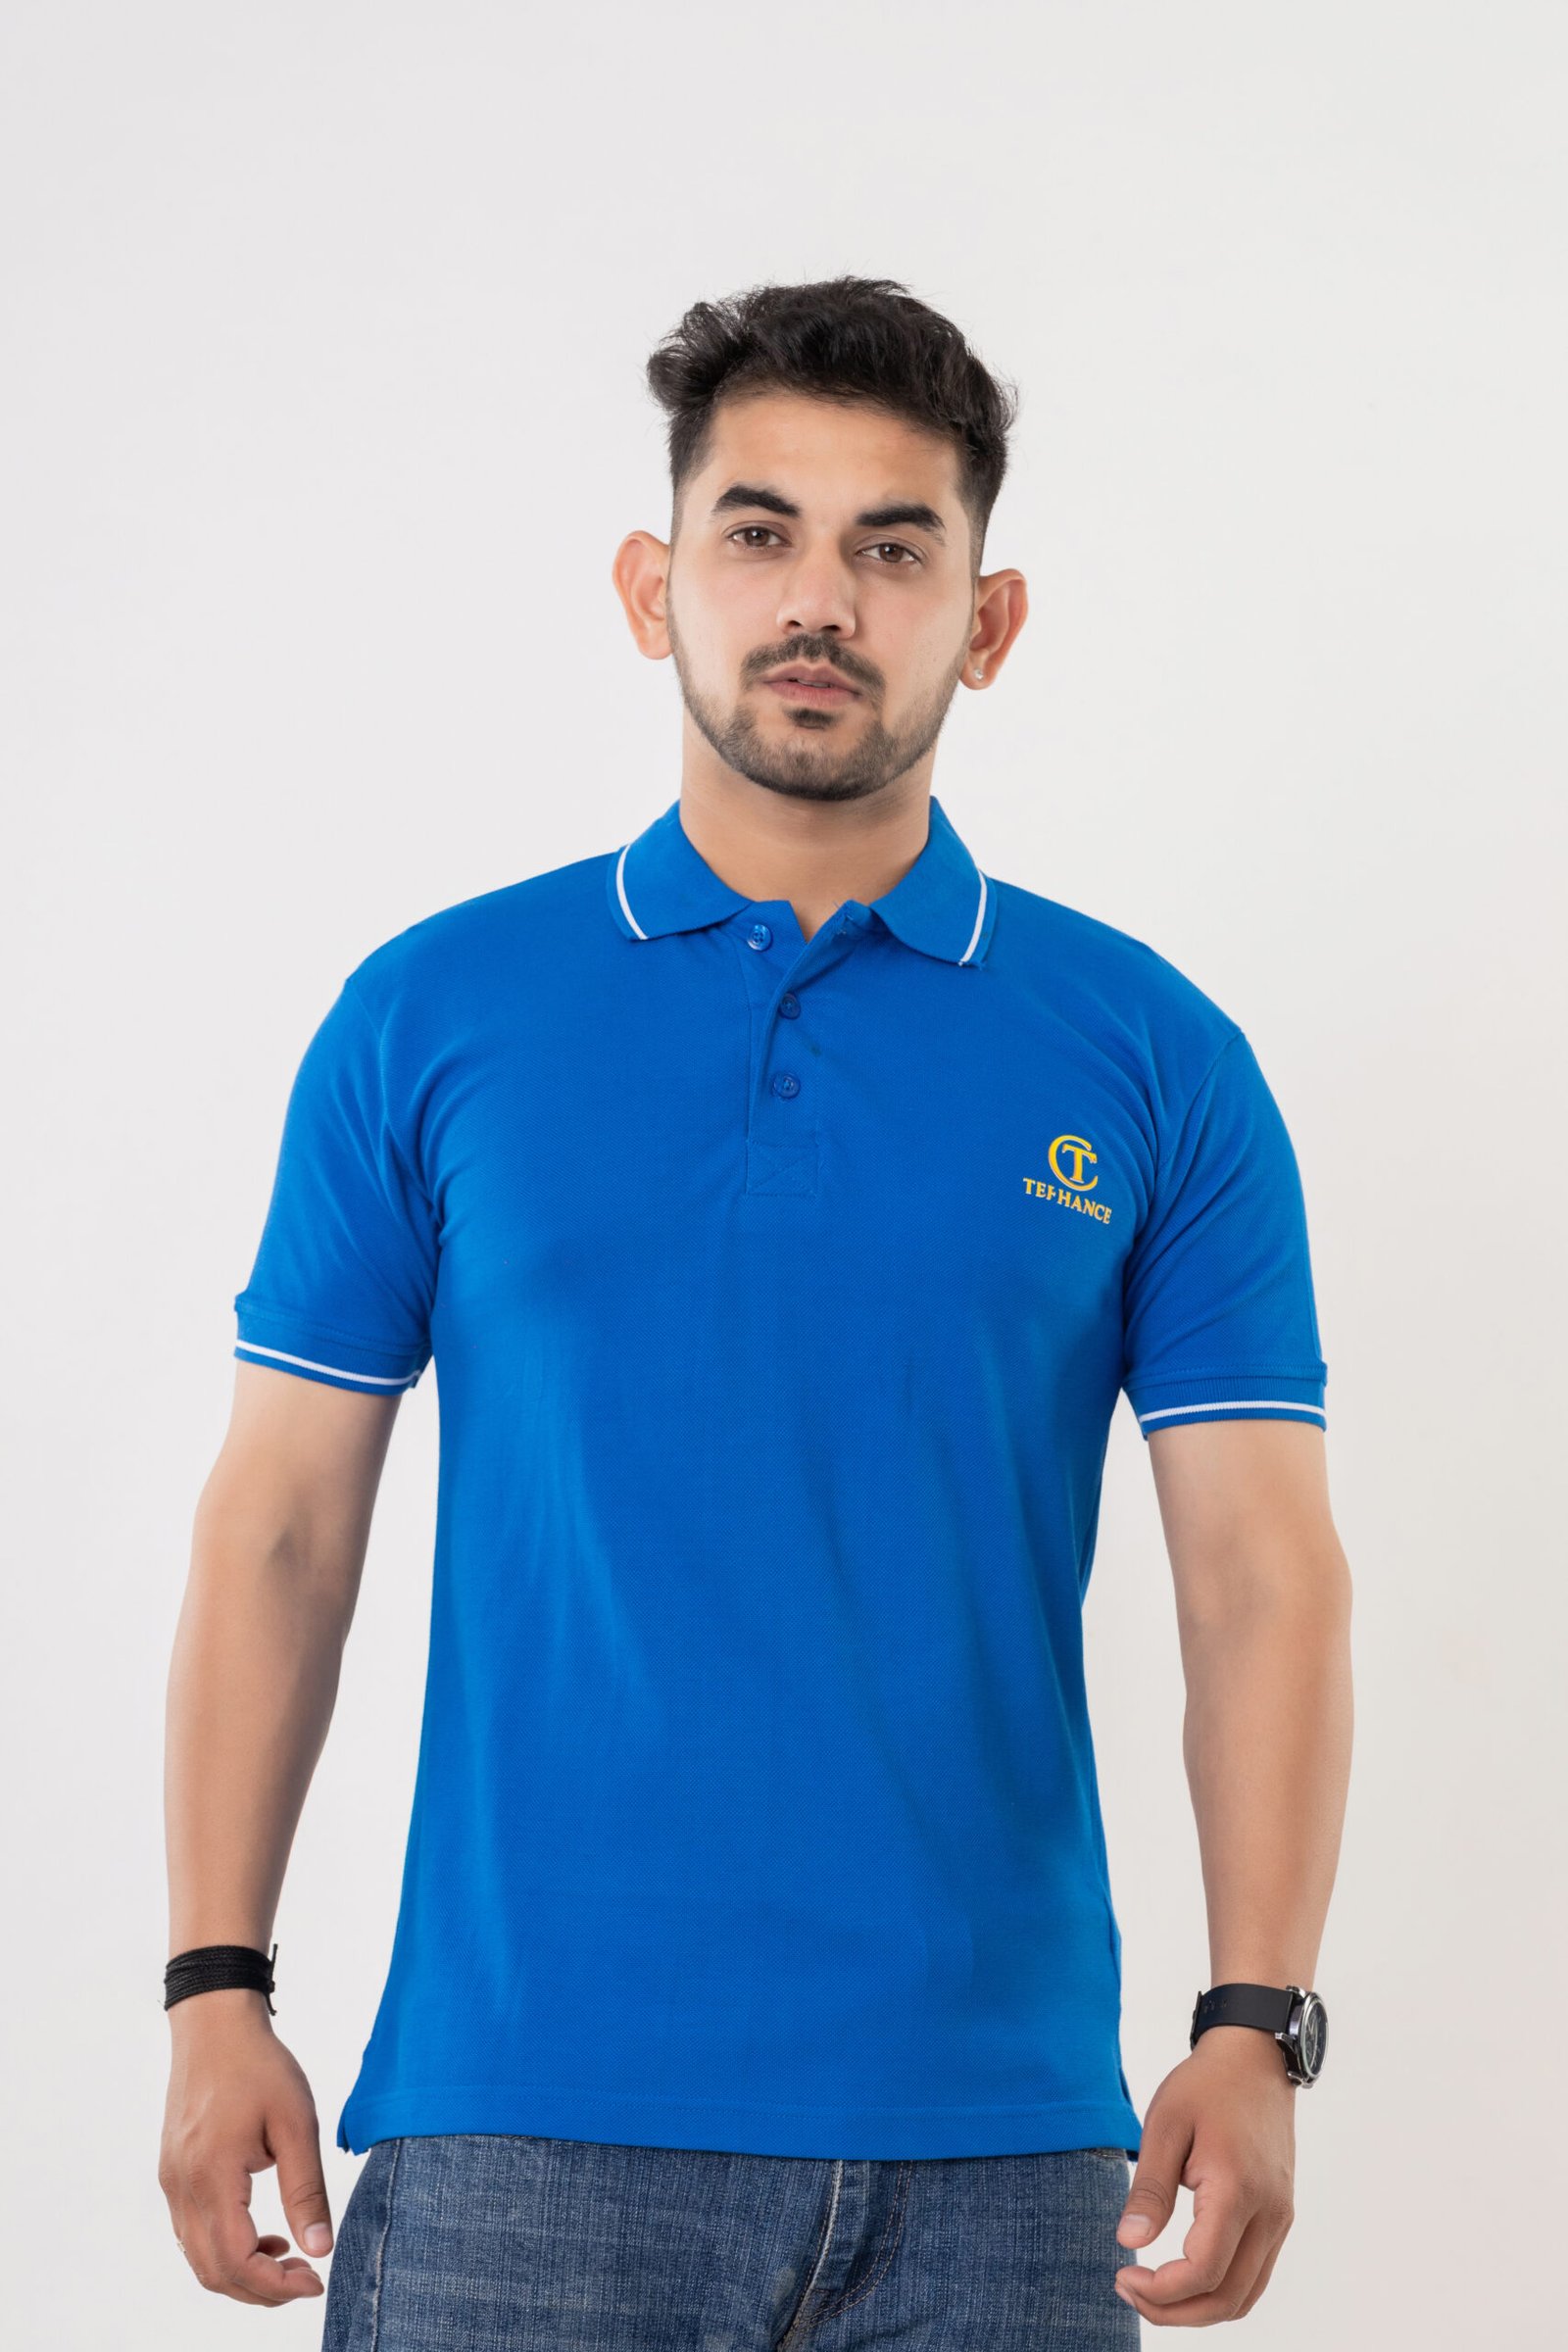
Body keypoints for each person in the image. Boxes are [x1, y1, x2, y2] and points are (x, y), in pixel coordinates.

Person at [160, 275, 1353, 2346]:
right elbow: (279, 1525)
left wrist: (1254, 2024)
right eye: (758, 532)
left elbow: (1260, 1572)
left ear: (985, 622)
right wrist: (211, 1988)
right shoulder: (432, 1019)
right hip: (519, 2134)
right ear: (654, 588)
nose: (820, 599)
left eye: (893, 548)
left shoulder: (1153, 1057)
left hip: (998, 2161)